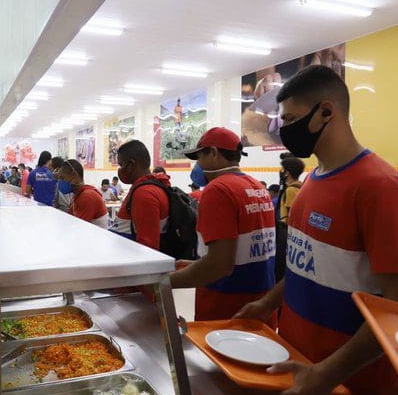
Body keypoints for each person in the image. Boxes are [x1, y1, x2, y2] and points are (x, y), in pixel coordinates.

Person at [235, 65, 398, 395]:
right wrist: (267, 303)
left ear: (326, 112)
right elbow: (307, 267)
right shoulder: (312, 182)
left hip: (354, 386)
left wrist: (329, 373)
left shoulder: (380, 187)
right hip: (300, 366)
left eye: (290, 120)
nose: (283, 130)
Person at [170, 128, 276, 323]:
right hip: (258, 306)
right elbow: (240, 253)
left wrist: (163, 282)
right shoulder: (258, 188)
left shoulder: (218, 190)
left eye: (199, 157)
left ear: (213, 153)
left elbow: (219, 266)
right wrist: (195, 264)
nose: (198, 165)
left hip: (224, 310)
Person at [110, 140, 170, 251]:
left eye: (121, 165)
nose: (119, 170)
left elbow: (148, 246)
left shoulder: (144, 193)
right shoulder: (152, 185)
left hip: (130, 257)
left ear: (131, 165)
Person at [275, 157, 305, 281]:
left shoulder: (291, 190)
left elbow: (294, 215)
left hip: (287, 234)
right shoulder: (301, 186)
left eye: (282, 169)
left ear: (287, 172)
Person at [58, 159, 109, 228]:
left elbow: (78, 228)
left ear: (75, 175)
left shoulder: (88, 196)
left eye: (62, 178)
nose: (60, 182)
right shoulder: (77, 195)